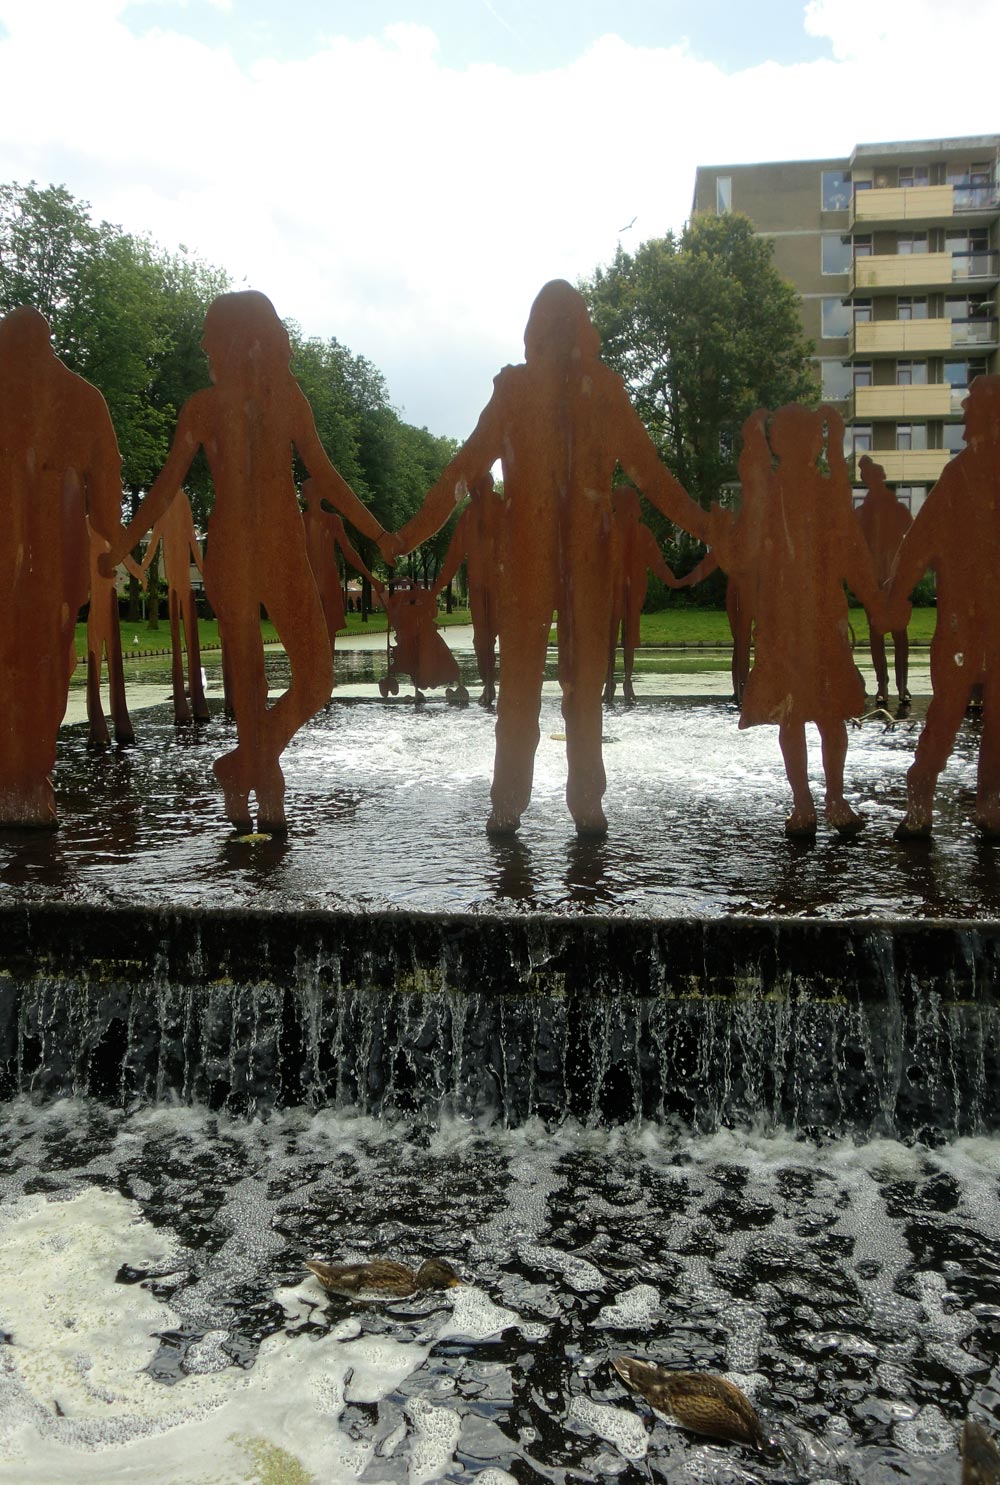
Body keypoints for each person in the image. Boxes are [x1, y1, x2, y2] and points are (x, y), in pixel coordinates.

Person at [393, 279, 709, 836]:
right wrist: (709, 529)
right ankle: (549, 801)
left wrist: (407, 536)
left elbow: (460, 474)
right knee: (551, 690)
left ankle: (531, 802)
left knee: (556, 689)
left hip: (561, 565)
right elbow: (652, 477)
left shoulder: (579, 391)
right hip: (545, 566)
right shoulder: (535, 392)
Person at [102, 290, 397, 833]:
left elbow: (325, 475)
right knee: (250, 682)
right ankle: (260, 794)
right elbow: (165, 486)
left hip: (282, 547)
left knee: (317, 680)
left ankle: (245, 767)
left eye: (213, 339)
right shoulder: (202, 408)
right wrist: (123, 547)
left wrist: (378, 533)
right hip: (233, 549)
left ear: (241, 341)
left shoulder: (288, 398)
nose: (206, 350)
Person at [710, 404, 891, 837]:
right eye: (793, 439)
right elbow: (742, 555)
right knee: (799, 713)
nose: (803, 448)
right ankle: (807, 802)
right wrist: (721, 534)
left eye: (810, 439)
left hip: (821, 618)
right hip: (784, 622)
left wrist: (875, 600)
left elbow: (851, 552)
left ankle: (829, 799)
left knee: (827, 713)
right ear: (781, 444)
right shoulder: (770, 495)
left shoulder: (823, 493)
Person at [0, 306, 123, 825]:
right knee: (49, 660)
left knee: (25, 661)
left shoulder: (71, 399)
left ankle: (21, 775)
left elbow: (107, 487)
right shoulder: (84, 399)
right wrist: (115, 541)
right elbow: (108, 492)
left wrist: (114, 539)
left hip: (36, 566)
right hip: (57, 569)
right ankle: (31, 774)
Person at [887, 375, 1000, 838]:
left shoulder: (968, 472)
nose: (964, 414)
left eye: (972, 407)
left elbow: (918, 543)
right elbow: (920, 541)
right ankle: (922, 793)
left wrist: (896, 591)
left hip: (984, 619)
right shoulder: (960, 474)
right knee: (948, 711)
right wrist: (897, 591)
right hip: (961, 620)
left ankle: (988, 801)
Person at [603, 486, 689, 705]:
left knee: (627, 635)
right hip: (613, 591)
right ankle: (611, 680)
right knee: (611, 636)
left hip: (632, 593)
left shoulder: (640, 533)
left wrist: (676, 581)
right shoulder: (610, 530)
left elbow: (658, 563)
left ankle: (625, 680)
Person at [301, 477, 383, 700]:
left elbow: (348, 551)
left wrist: (370, 578)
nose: (310, 496)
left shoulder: (332, 521)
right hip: (308, 584)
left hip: (327, 583)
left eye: (313, 491)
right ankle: (312, 684)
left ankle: (324, 685)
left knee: (328, 636)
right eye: (307, 492)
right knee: (309, 635)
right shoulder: (300, 521)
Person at [430, 471, 503, 707]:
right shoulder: (469, 516)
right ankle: (489, 684)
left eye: (480, 488)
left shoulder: (503, 510)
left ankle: (509, 687)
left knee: (505, 635)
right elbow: (454, 557)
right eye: (474, 490)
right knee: (482, 640)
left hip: (502, 586)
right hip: (479, 586)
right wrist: (434, 590)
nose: (476, 493)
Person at [140, 488, 209, 724]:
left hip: (180, 585)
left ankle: (190, 698)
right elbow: (154, 545)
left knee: (185, 637)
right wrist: (140, 571)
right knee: (182, 639)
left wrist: (141, 570)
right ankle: (188, 699)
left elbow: (187, 542)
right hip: (176, 585)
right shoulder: (167, 512)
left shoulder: (172, 510)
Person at [854, 455, 913, 709]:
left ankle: (901, 685)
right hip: (874, 581)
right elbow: (857, 550)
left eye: (876, 478)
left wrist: (900, 573)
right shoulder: (861, 514)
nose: (874, 483)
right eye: (869, 479)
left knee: (899, 634)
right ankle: (884, 685)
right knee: (878, 634)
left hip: (894, 579)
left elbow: (911, 542)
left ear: (881, 479)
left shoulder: (897, 510)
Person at [86, 518, 144, 745]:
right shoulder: (86, 525)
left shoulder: (111, 526)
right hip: (97, 605)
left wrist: (140, 573)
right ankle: (97, 724)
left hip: (108, 604)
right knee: (95, 662)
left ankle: (117, 720)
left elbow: (127, 558)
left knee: (113, 660)